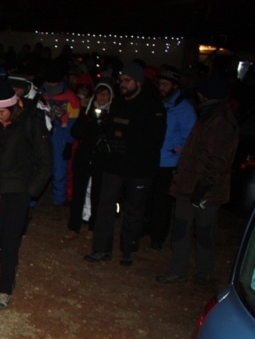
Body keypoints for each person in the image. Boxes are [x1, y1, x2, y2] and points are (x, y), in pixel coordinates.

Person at [157, 75, 238, 285]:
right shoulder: (208, 115)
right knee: (181, 229)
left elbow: (218, 160)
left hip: (205, 190)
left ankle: (203, 273)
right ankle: (179, 270)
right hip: (189, 185)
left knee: (203, 232)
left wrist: (203, 188)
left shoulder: (220, 121)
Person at [85, 63, 166, 266]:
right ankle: (101, 248)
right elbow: (109, 129)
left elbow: (154, 140)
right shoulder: (118, 102)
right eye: (121, 80)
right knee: (105, 206)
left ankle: (128, 249)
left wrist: (125, 140)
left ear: (138, 82)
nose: (122, 84)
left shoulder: (153, 106)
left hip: (139, 169)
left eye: (127, 81)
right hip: (114, 165)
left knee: (133, 209)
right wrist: (106, 139)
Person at [0, 79, 53, 309]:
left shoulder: (32, 121)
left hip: (19, 188)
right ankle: (6, 261)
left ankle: (5, 288)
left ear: (14, 107)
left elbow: (45, 162)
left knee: (11, 237)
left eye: (2, 112)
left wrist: (30, 192)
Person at [145, 65, 197, 250]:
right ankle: (145, 228)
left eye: (165, 84)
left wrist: (176, 152)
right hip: (151, 159)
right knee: (147, 198)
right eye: (160, 83)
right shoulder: (155, 103)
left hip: (169, 163)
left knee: (162, 202)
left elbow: (189, 139)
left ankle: (158, 236)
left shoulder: (185, 109)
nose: (161, 87)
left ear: (175, 86)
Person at [66, 80, 115, 238]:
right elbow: (76, 132)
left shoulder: (113, 115)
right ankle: (74, 226)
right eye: (100, 94)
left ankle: (93, 227)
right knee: (78, 193)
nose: (102, 97)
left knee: (97, 194)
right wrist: (89, 118)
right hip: (84, 158)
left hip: (101, 161)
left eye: (106, 94)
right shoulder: (87, 112)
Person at [40, 61, 81, 206]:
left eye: (53, 83)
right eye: (48, 83)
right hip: (43, 133)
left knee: (59, 171)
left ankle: (58, 201)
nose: (51, 86)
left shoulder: (71, 98)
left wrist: (69, 142)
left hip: (61, 136)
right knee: (39, 168)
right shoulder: (41, 92)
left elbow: (73, 123)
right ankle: (32, 203)